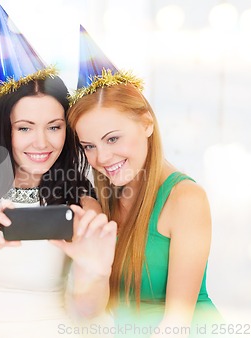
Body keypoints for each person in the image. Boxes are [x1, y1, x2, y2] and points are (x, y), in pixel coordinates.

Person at [0, 4, 117, 338]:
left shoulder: (82, 204)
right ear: (5, 129)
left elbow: (87, 314)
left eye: (54, 127)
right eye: (25, 128)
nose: (41, 142)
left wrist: (96, 271)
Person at [67, 25, 222, 338]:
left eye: (113, 138)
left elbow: (177, 323)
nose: (102, 157)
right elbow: (89, 310)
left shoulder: (186, 199)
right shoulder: (103, 200)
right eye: (89, 146)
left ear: (147, 124)